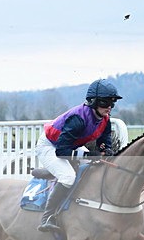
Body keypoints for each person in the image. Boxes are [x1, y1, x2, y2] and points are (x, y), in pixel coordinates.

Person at [36, 78, 122, 232]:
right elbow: (61, 152)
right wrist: (92, 155)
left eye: (112, 103)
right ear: (93, 102)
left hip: (69, 146)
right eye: (105, 103)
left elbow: (104, 142)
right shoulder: (77, 120)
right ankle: (47, 217)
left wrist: (106, 150)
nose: (109, 107)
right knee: (68, 177)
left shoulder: (105, 120)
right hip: (50, 146)